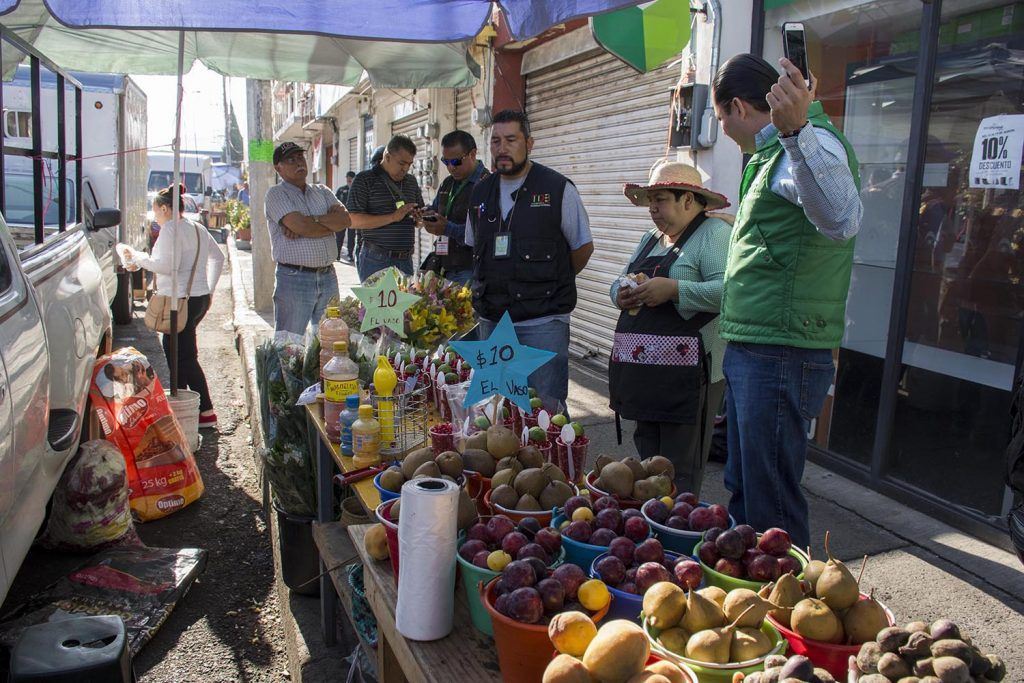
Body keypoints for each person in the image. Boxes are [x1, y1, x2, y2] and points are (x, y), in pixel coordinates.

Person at [711, 54, 863, 548]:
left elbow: (841, 218)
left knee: (769, 501)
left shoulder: (807, 143)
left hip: (780, 351)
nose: (723, 129)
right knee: (747, 488)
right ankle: (750, 595)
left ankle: (782, 609)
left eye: (719, 118)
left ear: (736, 107)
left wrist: (797, 133)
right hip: (759, 345)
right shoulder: (770, 156)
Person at [609, 161, 731, 497]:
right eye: (650, 201)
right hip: (644, 375)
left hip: (691, 378)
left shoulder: (715, 235)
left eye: (660, 199)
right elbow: (619, 280)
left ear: (688, 200)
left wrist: (674, 290)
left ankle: (678, 536)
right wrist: (620, 292)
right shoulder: (651, 238)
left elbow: (730, 292)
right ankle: (650, 531)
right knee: (647, 464)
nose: (653, 209)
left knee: (679, 469)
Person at [466, 110, 594, 410]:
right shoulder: (480, 192)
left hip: (544, 323)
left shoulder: (558, 189)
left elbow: (582, 248)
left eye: (511, 139)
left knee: (545, 411)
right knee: (497, 411)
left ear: (530, 143)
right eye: (496, 141)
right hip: (494, 320)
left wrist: (552, 282)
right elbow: (474, 247)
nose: (502, 148)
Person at [122, 184, 225, 429]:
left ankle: (204, 411)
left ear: (166, 209)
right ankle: (191, 408)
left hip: (178, 300)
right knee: (180, 352)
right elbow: (218, 258)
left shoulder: (170, 230)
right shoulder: (197, 228)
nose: (155, 216)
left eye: (156, 211)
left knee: (182, 356)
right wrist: (208, 289)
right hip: (198, 298)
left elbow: (166, 265)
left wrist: (136, 257)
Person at [264, 141, 352, 338]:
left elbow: (345, 220)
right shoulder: (276, 194)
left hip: (328, 276)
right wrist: (326, 227)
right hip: (295, 278)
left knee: (329, 341)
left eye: (300, 158)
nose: (298, 163)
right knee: (289, 343)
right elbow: (301, 226)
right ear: (278, 168)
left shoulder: (322, 191)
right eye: (291, 160)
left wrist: (311, 222)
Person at [346, 135, 423, 281]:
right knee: (376, 304)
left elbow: (418, 220)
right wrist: (393, 217)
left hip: (405, 260)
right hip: (376, 260)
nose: (405, 169)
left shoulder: (411, 181)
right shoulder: (364, 180)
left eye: (409, 164)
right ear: (387, 157)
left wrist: (420, 219)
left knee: (405, 304)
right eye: (401, 163)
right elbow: (352, 220)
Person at [420, 130, 488, 285]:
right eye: (446, 161)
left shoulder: (487, 185)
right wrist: (426, 214)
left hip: (470, 270)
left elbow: (484, 232)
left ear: (472, 154)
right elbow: (437, 208)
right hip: (444, 266)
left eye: (456, 162)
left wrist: (448, 229)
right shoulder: (448, 183)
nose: (451, 167)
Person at [335, 171, 357, 263]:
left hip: (352, 217)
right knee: (339, 236)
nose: (349, 179)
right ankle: (337, 255)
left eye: (351, 177)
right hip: (342, 217)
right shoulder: (341, 189)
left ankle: (350, 254)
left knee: (351, 237)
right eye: (347, 177)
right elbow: (335, 201)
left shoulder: (357, 190)